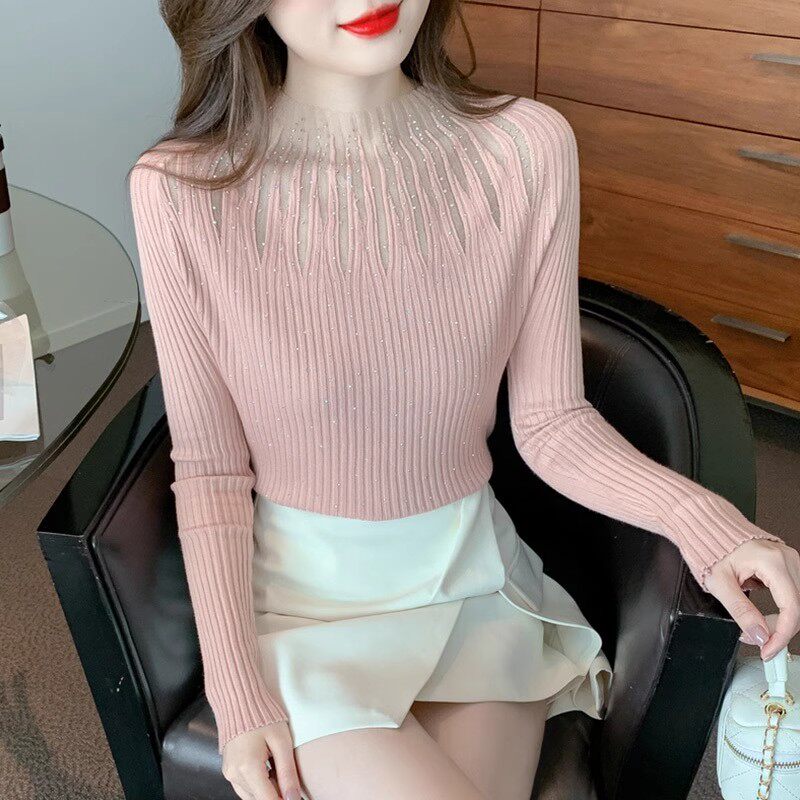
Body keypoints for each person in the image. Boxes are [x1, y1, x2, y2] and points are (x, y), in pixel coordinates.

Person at [127, 1, 800, 799]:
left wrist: (709, 526)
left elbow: (553, 422)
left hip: (471, 587)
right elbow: (209, 470)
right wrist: (239, 694)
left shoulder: (525, 147)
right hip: (305, 609)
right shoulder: (182, 190)